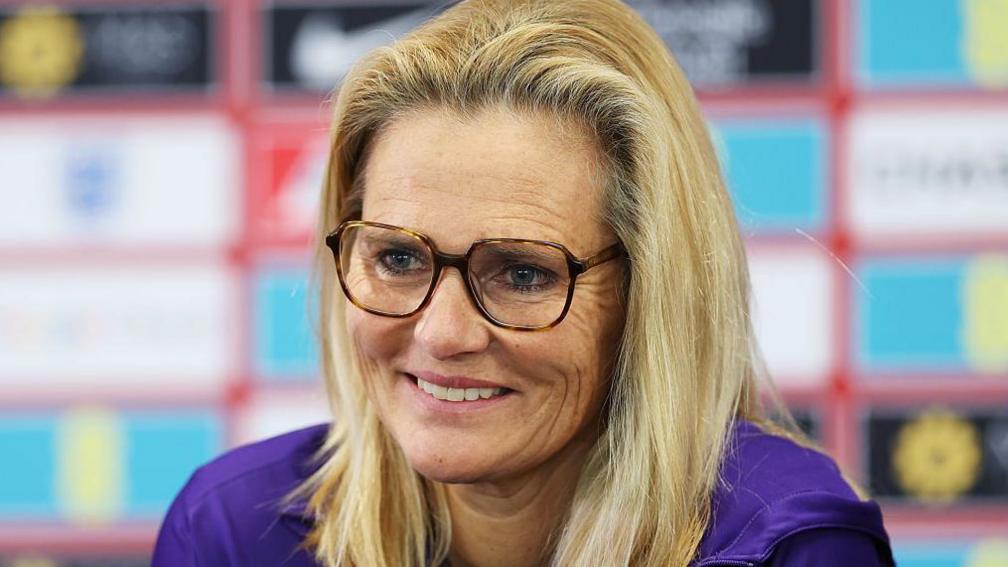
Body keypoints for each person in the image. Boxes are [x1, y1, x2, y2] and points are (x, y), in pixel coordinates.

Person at [153, 0, 894, 565]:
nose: (443, 332)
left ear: (650, 293)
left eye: (522, 272)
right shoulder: (234, 529)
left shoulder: (786, 546)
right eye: (399, 259)